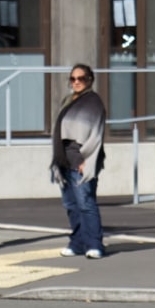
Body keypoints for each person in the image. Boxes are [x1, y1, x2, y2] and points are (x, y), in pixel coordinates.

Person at [51, 63, 108, 259]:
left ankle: (94, 244)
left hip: (81, 159)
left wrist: (88, 160)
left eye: (81, 78)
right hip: (63, 159)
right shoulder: (68, 101)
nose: (76, 82)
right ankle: (77, 242)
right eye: (73, 79)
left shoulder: (93, 102)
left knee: (86, 203)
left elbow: (96, 135)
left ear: (89, 80)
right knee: (71, 205)